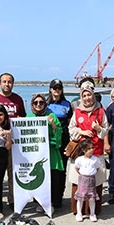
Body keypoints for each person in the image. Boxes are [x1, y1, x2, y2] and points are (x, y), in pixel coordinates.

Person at [68, 81, 109, 217]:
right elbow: (71, 129)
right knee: (77, 180)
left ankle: (94, 210)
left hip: (96, 151)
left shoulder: (101, 111)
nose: (87, 98)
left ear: (93, 95)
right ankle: (77, 209)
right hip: (80, 152)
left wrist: (98, 129)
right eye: (84, 95)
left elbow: (105, 131)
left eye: (89, 95)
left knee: (96, 181)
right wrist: (82, 131)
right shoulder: (77, 111)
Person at [0, 72, 26, 208]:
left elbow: (24, 118)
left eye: (9, 82)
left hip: (14, 141)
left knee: (13, 172)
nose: (7, 84)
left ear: (13, 84)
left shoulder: (18, 99)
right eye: (4, 81)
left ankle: (13, 199)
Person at [28, 93, 64, 209]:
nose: (38, 105)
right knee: (38, 178)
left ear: (45, 104)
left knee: (53, 178)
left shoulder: (51, 115)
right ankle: (40, 202)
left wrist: (52, 124)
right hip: (35, 154)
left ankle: (52, 203)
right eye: (36, 103)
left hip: (51, 152)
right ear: (32, 104)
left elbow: (59, 134)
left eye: (41, 102)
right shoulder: (28, 117)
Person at [46, 78, 73, 206]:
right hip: (48, 142)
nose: (57, 90)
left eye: (59, 88)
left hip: (63, 141)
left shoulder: (67, 104)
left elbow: (70, 124)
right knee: (48, 170)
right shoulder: (45, 104)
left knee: (61, 170)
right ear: (50, 89)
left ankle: (58, 198)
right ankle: (46, 198)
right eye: (54, 88)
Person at [74, 139, 102, 222]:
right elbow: (77, 168)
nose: (91, 150)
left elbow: (97, 168)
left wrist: (91, 173)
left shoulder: (95, 159)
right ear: (83, 150)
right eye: (89, 149)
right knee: (80, 198)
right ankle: (79, 213)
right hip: (83, 179)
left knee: (91, 198)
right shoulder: (79, 159)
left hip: (91, 179)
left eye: (92, 148)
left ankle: (92, 213)